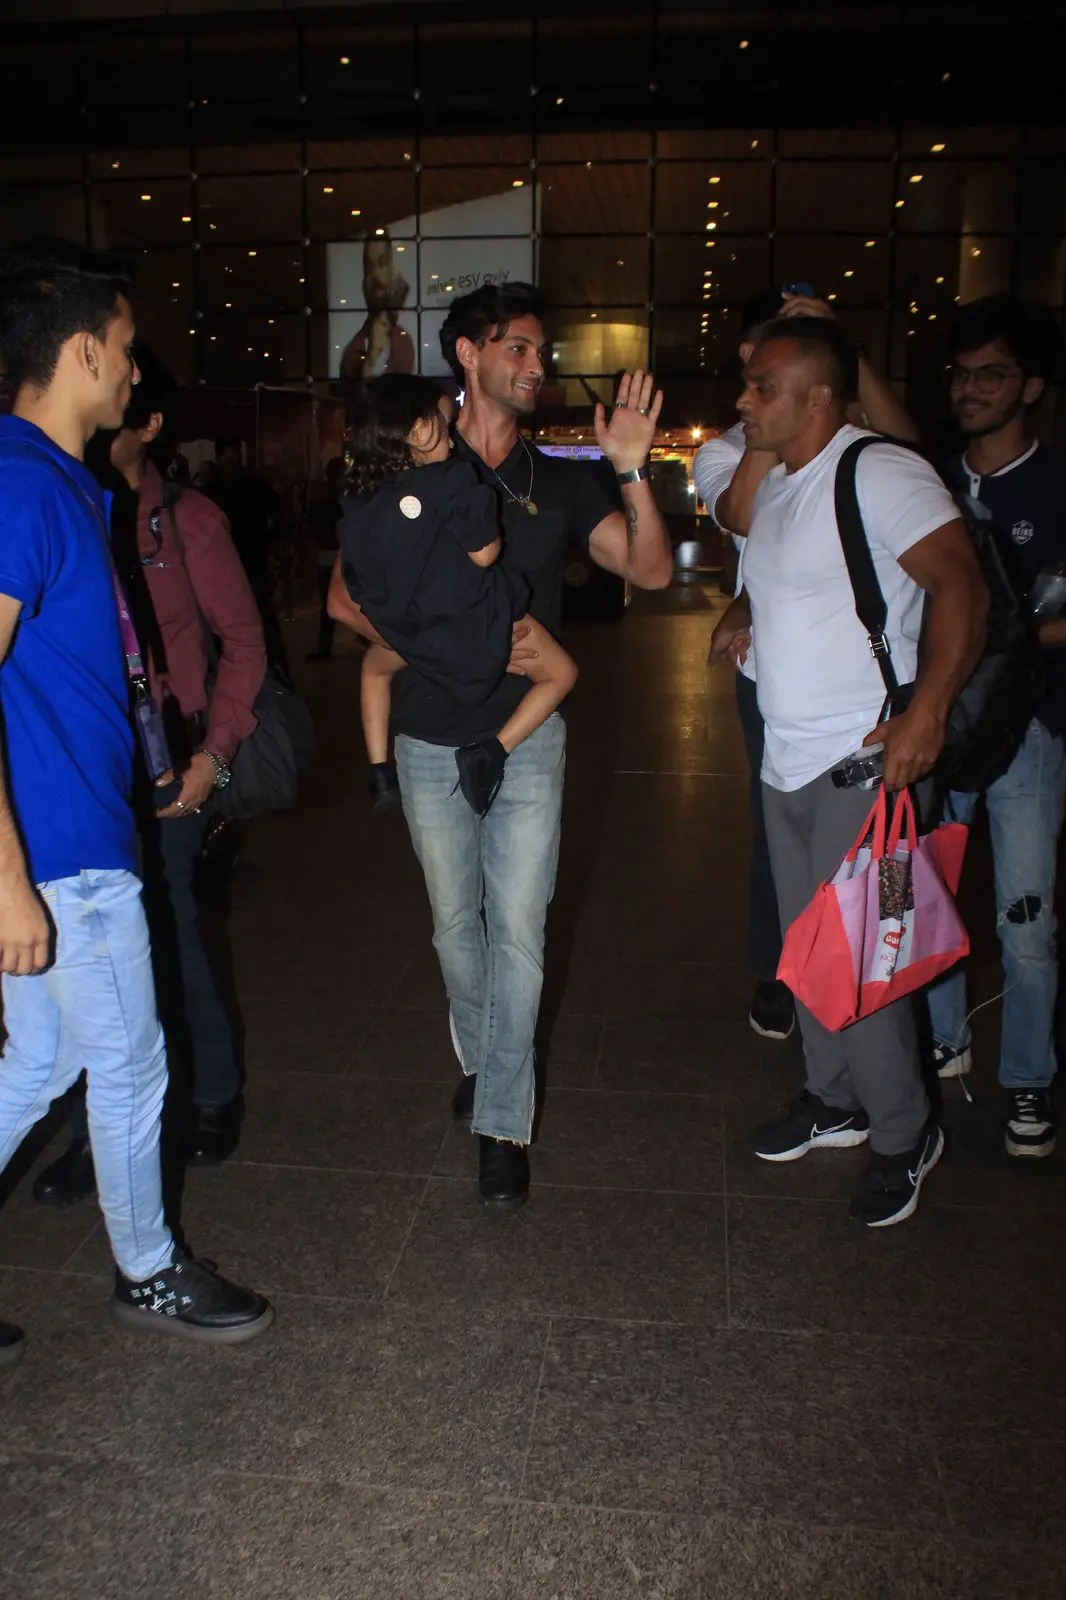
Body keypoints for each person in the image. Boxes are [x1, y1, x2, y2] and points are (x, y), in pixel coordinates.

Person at [328, 282, 673, 1208]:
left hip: (528, 738)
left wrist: (632, 469)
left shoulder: (557, 480)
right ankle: (490, 1062)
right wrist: (443, 642)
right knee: (455, 928)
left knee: (518, 931)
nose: (537, 366)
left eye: (539, 351)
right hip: (429, 738)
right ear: (469, 356)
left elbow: (648, 570)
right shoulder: (407, 457)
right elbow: (339, 598)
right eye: (519, 348)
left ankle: (501, 1122)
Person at [0, 239, 271, 1361]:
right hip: (58, 848)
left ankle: (147, 1262)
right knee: (130, 1061)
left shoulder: (59, 480)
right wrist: (10, 879)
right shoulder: (20, 481)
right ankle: (148, 1270)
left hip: (71, 825)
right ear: (75, 354)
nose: (133, 373)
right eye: (119, 350)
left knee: (39, 1064)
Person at [711, 315, 988, 1227]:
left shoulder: (882, 472)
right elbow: (787, 567)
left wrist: (929, 714)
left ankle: (905, 1132)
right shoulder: (788, 483)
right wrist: (744, 608)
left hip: (871, 767)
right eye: (747, 385)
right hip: (789, 763)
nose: (745, 401)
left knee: (869, 963)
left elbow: (960, 584)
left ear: (820, 399)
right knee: (807, 958)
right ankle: (834, 1098)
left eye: (763, 388)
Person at [31, 343, 266, 1210]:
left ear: (151, 423)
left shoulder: (188, 521)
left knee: (164, 933)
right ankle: (102, 1135)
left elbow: (244, 644)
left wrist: (215, 756)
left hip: (170, 765)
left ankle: (210, 1091)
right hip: (84, 767)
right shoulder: (66, 504)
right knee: (87, 959)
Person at [699, 289, 920, 1044]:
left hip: (871, 721)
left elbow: (951, 564)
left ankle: (897, 1086)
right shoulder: (731, 449)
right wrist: (776, 415)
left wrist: (838, 359)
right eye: (755, 371)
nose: (750, 392)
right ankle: (792, 987)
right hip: (776, 690)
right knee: (792, 864)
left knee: (881, 905)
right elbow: (746, 515)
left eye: (775, 375)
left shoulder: (871, 459)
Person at [926, 295, 1066, 1158]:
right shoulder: (933, 481)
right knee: (927, 896)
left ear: (1032, 387)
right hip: (939, 720)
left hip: (1030, 729)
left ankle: (1026, 1079)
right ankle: (944, 1036)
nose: (972, 389)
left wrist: (989, 634)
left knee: (1026, 916)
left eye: (993, 374)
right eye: (963, 374)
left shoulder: (1056, 485)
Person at [339, 374, 578, 814]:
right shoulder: (452, 479)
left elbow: (357, 580)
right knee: (561, 674)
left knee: (375, 670)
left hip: (414, 633)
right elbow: (485, 555)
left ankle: (378, 771)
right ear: (417, 431)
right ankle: (491, 752)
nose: (451, 437)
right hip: (480, 621)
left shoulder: (361, 500)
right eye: (445, 425)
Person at [211, 435, 290, 681]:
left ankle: (275, 677)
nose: (233, 460)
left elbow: (281, 516)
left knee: (259, 623)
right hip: (227, 569)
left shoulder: (249, 485)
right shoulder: (214, 487)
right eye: (229, 455)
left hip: (249, 565)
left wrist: (272, 542)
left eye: (236, 455)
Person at [339, 233, 415, 383]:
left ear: (392, 271)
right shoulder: (352, 352)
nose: (375, 274)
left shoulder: (403, 343)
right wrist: (371, 360)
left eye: (382, 263)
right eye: (368, 268)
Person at [307, 457, 346, 662]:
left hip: (328, 554)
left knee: (328, 602)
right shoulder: (347, 497)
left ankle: (325, 644)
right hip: (337, 554)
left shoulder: (323, 497)